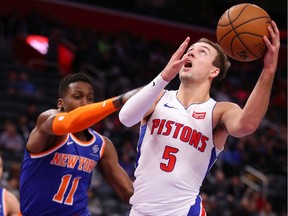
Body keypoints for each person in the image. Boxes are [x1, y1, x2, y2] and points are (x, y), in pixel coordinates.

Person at [119, 20, 280, 216]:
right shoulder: (159, 96)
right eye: (191, 50)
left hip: (184, 211)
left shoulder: (218, 111)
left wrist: (269, 70)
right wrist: (164, 76)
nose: (191, 52)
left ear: (214, 71)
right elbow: (126, 118)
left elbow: (247, 124)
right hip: (139, 211)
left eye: (202, 51)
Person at [19, 73, 140, 215]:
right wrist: (119, 101)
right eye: (77, 97)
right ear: (61, 103)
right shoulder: (47, 124)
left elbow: (127, 192)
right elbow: (70, 122)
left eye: (90, 99)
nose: (85, 103)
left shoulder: (102, 144)